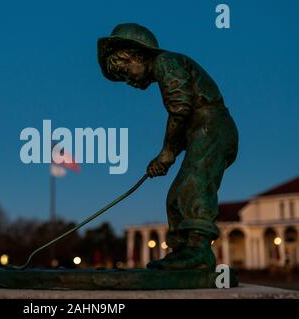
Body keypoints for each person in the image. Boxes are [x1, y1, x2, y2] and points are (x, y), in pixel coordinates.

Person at [97, 23, 239, 270]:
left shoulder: (166, 62)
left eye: (126, 71)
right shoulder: (166, 69)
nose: (128, 80)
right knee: (175, 197)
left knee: (192, 185)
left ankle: (198, 251)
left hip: (213, 129)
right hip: (202, 131)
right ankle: (182, 251)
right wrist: (167, 154)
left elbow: (179, 109)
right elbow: (182, 123)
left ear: (138, 56)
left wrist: (166, 153)